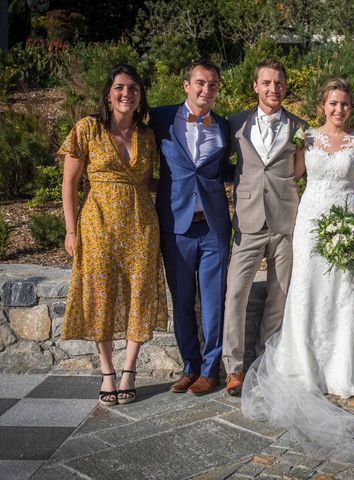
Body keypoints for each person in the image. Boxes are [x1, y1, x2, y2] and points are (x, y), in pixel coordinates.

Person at [241, 78, 354, 465]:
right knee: (306, 291)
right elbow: (289, 178)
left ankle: (339, 369)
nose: (339, 110)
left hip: (345, 227)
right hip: (311, 224)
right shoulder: (308, 139)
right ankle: (303, 364)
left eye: (345, 104)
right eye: (333, 103)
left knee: (342, 294)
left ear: (351, 106)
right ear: (323, 105)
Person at [60, 64, 168, 406]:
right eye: (120, 87)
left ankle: (129, 371)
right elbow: (69, 183)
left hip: (140, 226)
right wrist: (70, 230)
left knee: (140, 293)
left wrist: (189, 187)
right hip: (98, 225)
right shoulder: (87, 128)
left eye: (133, 89)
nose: (126, 94)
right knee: (100, 297)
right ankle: (107, 372)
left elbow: (148, 181)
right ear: (108, 93)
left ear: (140, 97)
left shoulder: (146, 136)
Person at [222, 59, 307, 396]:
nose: (274, 88)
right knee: (235, 293)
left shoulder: (300, 126)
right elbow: (221, 163)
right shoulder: (235, 124)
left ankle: (264, 360)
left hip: (285, 220)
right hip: (247, 220)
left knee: (280, 294)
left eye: (279, 83)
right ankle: (235, 366)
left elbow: (301, 169)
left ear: (285, 87)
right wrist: (244, 185)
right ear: (255, 86)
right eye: (267, 83)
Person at [149, 59, 232, 396]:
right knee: (182, 301)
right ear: (186, 85)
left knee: (213, 302)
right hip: (176, 226)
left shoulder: (225, 126)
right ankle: (189, 366)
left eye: (212, 85)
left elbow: (228, 170)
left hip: (214, 226)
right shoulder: (160, 118)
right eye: (200, 83)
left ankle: (210, 369)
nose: (206, 90)